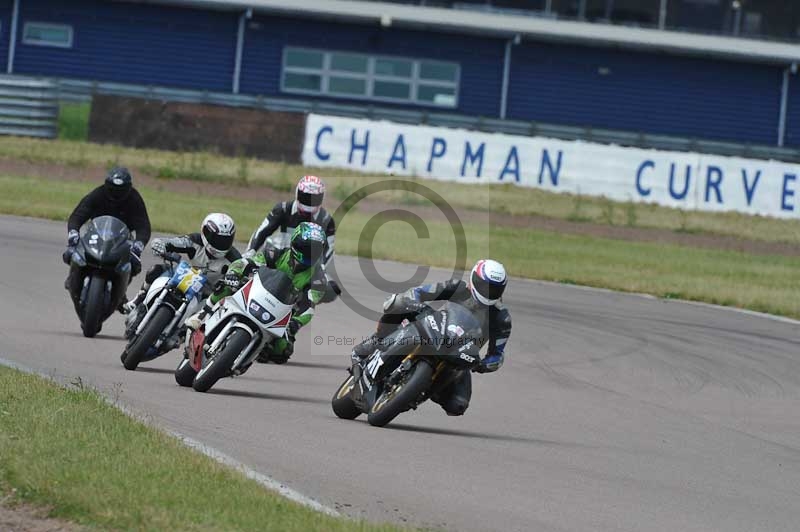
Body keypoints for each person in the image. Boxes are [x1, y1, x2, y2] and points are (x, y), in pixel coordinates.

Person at [350, 259, 512, 416]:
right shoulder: (457, 287)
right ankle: (374, 343)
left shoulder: (501, 317)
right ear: (474, 279)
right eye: (485, 286)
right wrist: (410, 300)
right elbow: (421, 292)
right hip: (437, 328)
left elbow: (497, 354)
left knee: (457, 405)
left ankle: (417, 392)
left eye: (494, 289)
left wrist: (483, 365)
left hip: (462, 354)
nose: (488, 291)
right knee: (398, 305)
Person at [185, 222, 328, 364]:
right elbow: (247, 262)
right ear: (294, 243)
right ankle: (203, 313)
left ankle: (252, 352)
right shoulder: (276, 252)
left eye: (313, 251)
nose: (308, 254)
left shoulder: (319, 279)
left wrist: (295, 323)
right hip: (255, 292)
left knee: (282, 351)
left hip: (282, 313)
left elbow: (309, 307)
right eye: (305, 248)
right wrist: (234, 273)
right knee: (227, 285)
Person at [63, 167, 151, 309]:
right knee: (70, 254)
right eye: (113, 189)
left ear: (128, 188)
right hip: (95, 236)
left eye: (121, 190)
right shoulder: (98, 194)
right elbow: (78, 215)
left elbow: (144, 227)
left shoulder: (134, 199)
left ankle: (121, 292)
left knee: (134, 264)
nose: (116, 193)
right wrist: (73, 234)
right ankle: (73, 277)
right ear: (107, 185)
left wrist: (138, 245)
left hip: (120, 241)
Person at [122, 212, 240, 316]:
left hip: (208, 292)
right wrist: (161, 244)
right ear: (205, 232)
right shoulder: (194, 240)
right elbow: (174, 242)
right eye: (216, 239)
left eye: (225, 240)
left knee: (214, 310)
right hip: (187, 276)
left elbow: (244, 270)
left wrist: (236, 278)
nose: (220, 244)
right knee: (155, 270)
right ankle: (138, 300)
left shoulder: (234, 258)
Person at [246, 175, 338, 298]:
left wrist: (321, 269)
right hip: (276, 257)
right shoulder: (282, 209)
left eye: (314, 198)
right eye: (306, 197)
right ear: (297, 194)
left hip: (304, 265)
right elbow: (263, 231)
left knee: (318, 295)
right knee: (244, 277)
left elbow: (329, 249)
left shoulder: (326, 219)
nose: (309, 201)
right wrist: (250, 252)